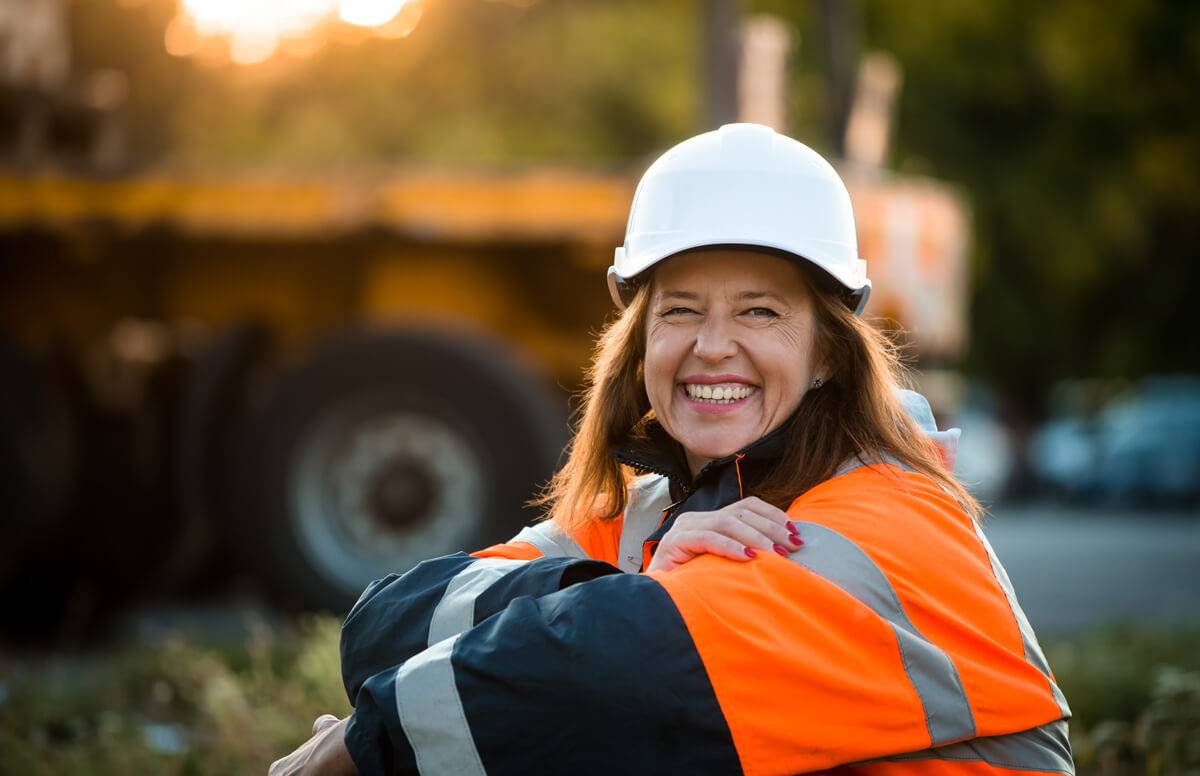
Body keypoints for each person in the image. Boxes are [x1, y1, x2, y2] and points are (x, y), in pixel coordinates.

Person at [270, 124, 1074, 776]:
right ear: (641, 340)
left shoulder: (889, 520)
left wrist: (355, 749)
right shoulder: (655, 516)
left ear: (829, 351)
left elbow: (599, 679)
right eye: (681, 311)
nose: (713, 347)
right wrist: (614, 583)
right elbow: (383, 621)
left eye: (760, 312)